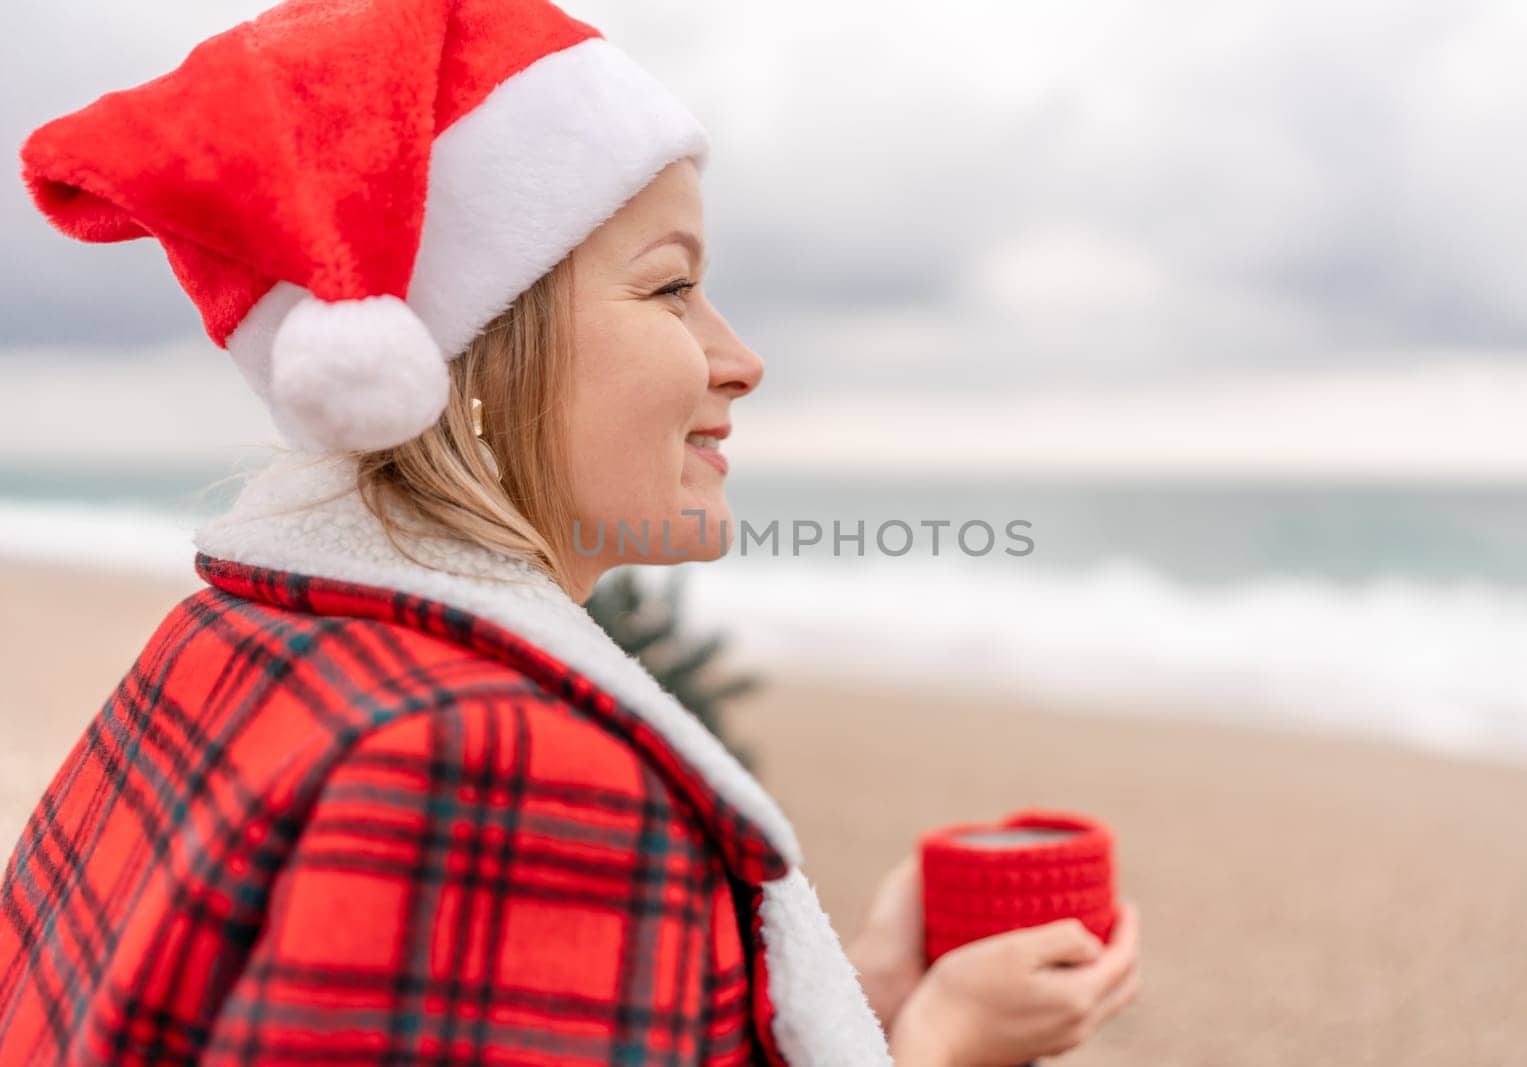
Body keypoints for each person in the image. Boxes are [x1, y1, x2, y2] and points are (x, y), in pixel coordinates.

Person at [0, 1, 1139, 1064]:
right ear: (485, 355)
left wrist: (865, 995)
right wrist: (941, 1039)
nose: (739, 359)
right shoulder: (499, 762)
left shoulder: (236, 635)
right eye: (669, 289)